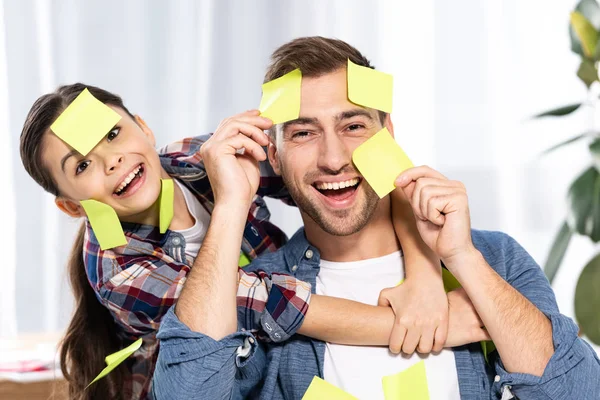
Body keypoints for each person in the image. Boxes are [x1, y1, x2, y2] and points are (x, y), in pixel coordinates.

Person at [153, 36, 600, 400]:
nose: (333, 158)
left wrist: (461, 258)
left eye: (353, 126)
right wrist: (232, 203)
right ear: (273, 153)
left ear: (387, 134)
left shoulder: (493, 257)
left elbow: (580, 393)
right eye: (304, 133)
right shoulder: (257, 292)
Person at [19, 84, 450, 399]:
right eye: (82, 166)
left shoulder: (199, 157)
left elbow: (358, 171)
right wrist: (441, 326)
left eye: (112, 135)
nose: (111, 161)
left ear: (144, 128)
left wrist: (426, 278)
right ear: (72, 207)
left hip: (298, 343)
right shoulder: (119, 271)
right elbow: (270, 304)